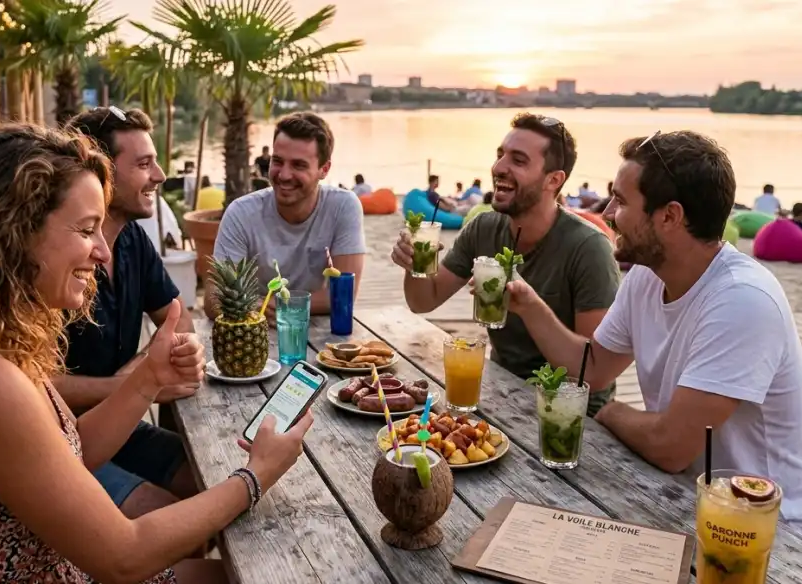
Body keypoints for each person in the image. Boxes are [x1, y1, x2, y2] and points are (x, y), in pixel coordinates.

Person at [0, 124, 313, 582]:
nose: (104, 252)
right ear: (13, 233)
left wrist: (148, 378)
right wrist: (256, 476)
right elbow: (123, 555)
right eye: (88, 230)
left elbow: (72, 454)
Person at [504, 130, 802, 535]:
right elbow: (593, 368)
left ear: (669, 216)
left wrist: (609, 412)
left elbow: (671, 447)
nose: (608, 212)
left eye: (621, 200)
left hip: (760, 532)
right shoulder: (647, 276)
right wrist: (529, 305)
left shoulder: (743, 300)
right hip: (680, 498)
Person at [390, 113, 621, 417]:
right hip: (501, 391)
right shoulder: (483, 228)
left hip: (569, 416)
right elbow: (423, 301)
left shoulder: (589, 248)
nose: (499, 167)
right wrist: (413, 265)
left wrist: (531, 307)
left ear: (554, 180)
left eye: (518, 160)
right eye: (500, 155)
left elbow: (591, 368)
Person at [62, 107, 200, 521]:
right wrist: (138, 383)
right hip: (57, 439)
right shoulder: (56, 261)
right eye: (143, 164)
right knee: (173, 521)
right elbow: (32, 384)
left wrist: (142, 370)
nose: (159, 175)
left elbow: (180, 320)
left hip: (121, 425)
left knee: (210, 479)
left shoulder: (133, 240)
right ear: (100, 171)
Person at [208, 112, 365, 320]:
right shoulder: (241, 213)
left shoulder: (343, 206)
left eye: (298, 165)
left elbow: (344, 295)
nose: (284, 175)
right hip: (255, 329)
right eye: (278, 161)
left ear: (324, 169)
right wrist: (252, 306)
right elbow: (213, 298)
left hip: (319, 332)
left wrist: (280, 304)